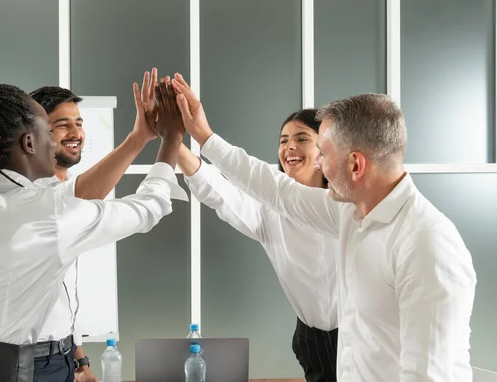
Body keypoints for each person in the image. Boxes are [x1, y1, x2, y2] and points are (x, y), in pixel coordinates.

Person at [167, 74, 476, 382]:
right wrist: (202, 135)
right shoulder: (349, 215)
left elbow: (426, 376)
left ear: (356, 165)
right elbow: (275, 190)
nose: (319, 164)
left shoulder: (427, 245)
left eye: (324, 154)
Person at [0, 75, 187, 382]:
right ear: (29, 142)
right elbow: (148, 207)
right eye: (48, 131)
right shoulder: (48, 213)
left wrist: (138, 138)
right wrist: (172, 140)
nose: (55, 143)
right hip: (21, 370)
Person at [176, 109, 338, 381]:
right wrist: (172, 142)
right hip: (312, 342)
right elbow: (218, 193)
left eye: (301, 138)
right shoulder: (270, 213)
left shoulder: (345, 205)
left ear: (325, 148)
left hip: (359, 339)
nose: (289, 147)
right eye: (283, 140)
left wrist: (204, 136)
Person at [28, 69, 161, 382]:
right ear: (32, 134)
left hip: (60, 358)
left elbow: (61, 297)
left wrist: (80, 362)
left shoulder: (63, 190)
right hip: (30, 363)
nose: (76, 132)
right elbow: (77, 200)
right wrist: (141, 137)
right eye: (62, 124)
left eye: (79, 122)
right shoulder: (31, 195)